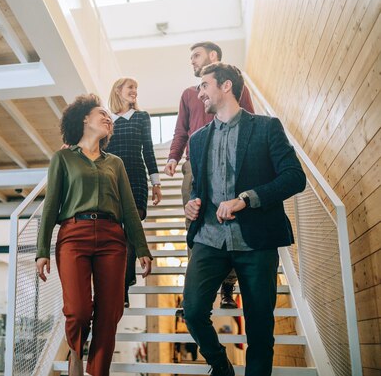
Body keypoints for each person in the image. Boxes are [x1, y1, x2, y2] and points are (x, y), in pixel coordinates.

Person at [182, 63, 305, 376]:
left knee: (260, 328)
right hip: (209, 237)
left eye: (204, 86)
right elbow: (199, 189)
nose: (199, 93)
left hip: (257, 239)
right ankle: (221, 366)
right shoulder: (196, 140)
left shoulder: (266, 127)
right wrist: (192, 205)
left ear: (225, 87)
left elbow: (294, 178)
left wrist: (246, 199)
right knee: (194, 311)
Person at [36, 94, 153, 376]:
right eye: (102, 113)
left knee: (110, 313)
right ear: (84, 119)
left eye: (109, 117)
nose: (108, 118)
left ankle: (98, 371)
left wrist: (142, 247)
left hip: (113, 239)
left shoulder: (115, 163)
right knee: (78, 311)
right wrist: (41, 251)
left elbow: (128, 207)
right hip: (73, 236)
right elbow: (51, 205)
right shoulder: (63, 158)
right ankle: (76, 355)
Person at [164, 41, 255, 309]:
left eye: (196, 55)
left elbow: (249, 120)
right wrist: (173, 156)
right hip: (195, 166)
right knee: (194, 225)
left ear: (212, 56)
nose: (192, 60)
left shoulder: (237, 88)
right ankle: (192, 291)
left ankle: (228, 289)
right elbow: (181, 130)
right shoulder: (188, 95)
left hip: (232, 165)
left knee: (231, 223)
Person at [105, 77, 162, 308]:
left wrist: (156, 182)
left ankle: (123, 288)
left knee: (129, 234)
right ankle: (119, 284)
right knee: (116, 235)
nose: (135, 92)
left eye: (136, 88)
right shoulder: (106, 119)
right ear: (118, 90)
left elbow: (148, 149)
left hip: (137, 179)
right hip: (112, 181)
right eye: (131, 88)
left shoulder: (141, 117)